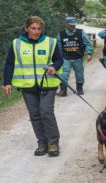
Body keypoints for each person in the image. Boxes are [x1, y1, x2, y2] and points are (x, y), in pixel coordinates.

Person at [2, 16, 63, 156]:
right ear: (26, 28)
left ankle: (53, 143)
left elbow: (59, 60)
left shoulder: (50, 42)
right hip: (27, 86)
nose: (36, 32)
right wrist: (7, 82)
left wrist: (54, 67)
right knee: (35, 115)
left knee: (46, 112)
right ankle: (42, 143)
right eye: (33, 28)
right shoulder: (17, 43)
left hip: (48, 84)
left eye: (39, 29)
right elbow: (9, 63)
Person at [57, 16, 93, 96]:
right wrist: (58, 57)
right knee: (64, 73)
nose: (73, 26)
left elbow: (87, 43)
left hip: (78, 57)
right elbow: (58, 46)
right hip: (65, 57)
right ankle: (63, 90)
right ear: (66, 24)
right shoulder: (61, 34)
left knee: (79, 73)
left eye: (74, 24)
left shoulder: (81, 32)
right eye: (71, 24)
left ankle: (79, 88)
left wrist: (89, 53)